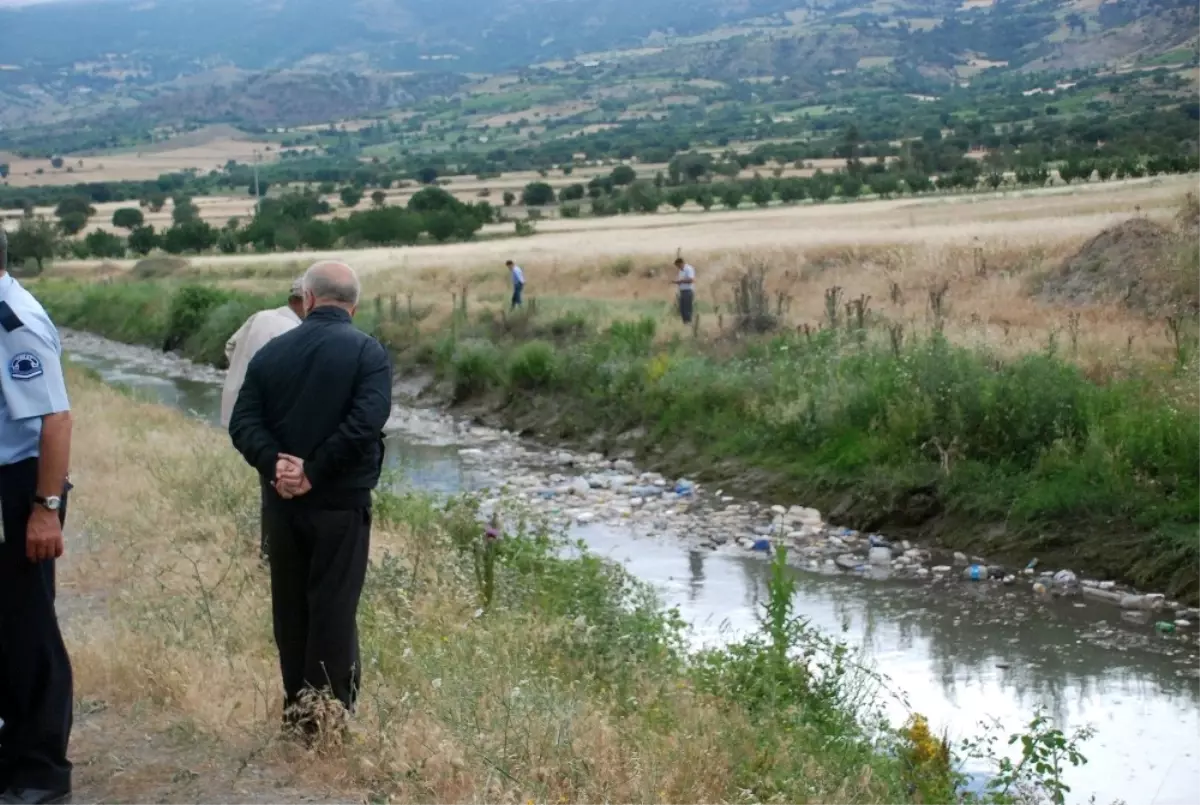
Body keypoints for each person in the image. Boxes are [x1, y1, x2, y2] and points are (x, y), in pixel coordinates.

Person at [229, 261, 392, 741]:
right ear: (354, 306)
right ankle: (329, 724)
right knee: (334, 611)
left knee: (292, 609)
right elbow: (365, 424)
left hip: (282, 505)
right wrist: (315, 472)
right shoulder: (368, 353)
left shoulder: (272, 352)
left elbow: (243, 423)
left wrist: (277, 464)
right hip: (341, 505)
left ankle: (298, 717)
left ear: (308, 299)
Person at [0, 228, 75, 805]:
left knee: (28, 627)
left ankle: (41, 773)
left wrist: (44, 511)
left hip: (21, 488)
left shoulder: (14, 321)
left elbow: (55, 420)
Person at [220, 277, 307, 561]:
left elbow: (230, 347)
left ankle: (269, 550)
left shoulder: (261, 317)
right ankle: (276, 552)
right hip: (275, 416)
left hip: (246, 417)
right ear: (307, 300)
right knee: (281, 484)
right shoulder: (293, 329)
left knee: (268, 478)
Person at [672, 257, 696, 325]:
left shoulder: (688, 269)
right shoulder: (681, 271)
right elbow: (682, 281)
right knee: (682, 309)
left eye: (678, 265)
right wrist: (677, 282)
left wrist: (681, 281)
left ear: (681, 263)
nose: (678, 267)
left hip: (688, 291)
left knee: (687, 309)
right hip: (682, 291)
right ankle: (685, 323)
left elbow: (691, 280)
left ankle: (689, 324)